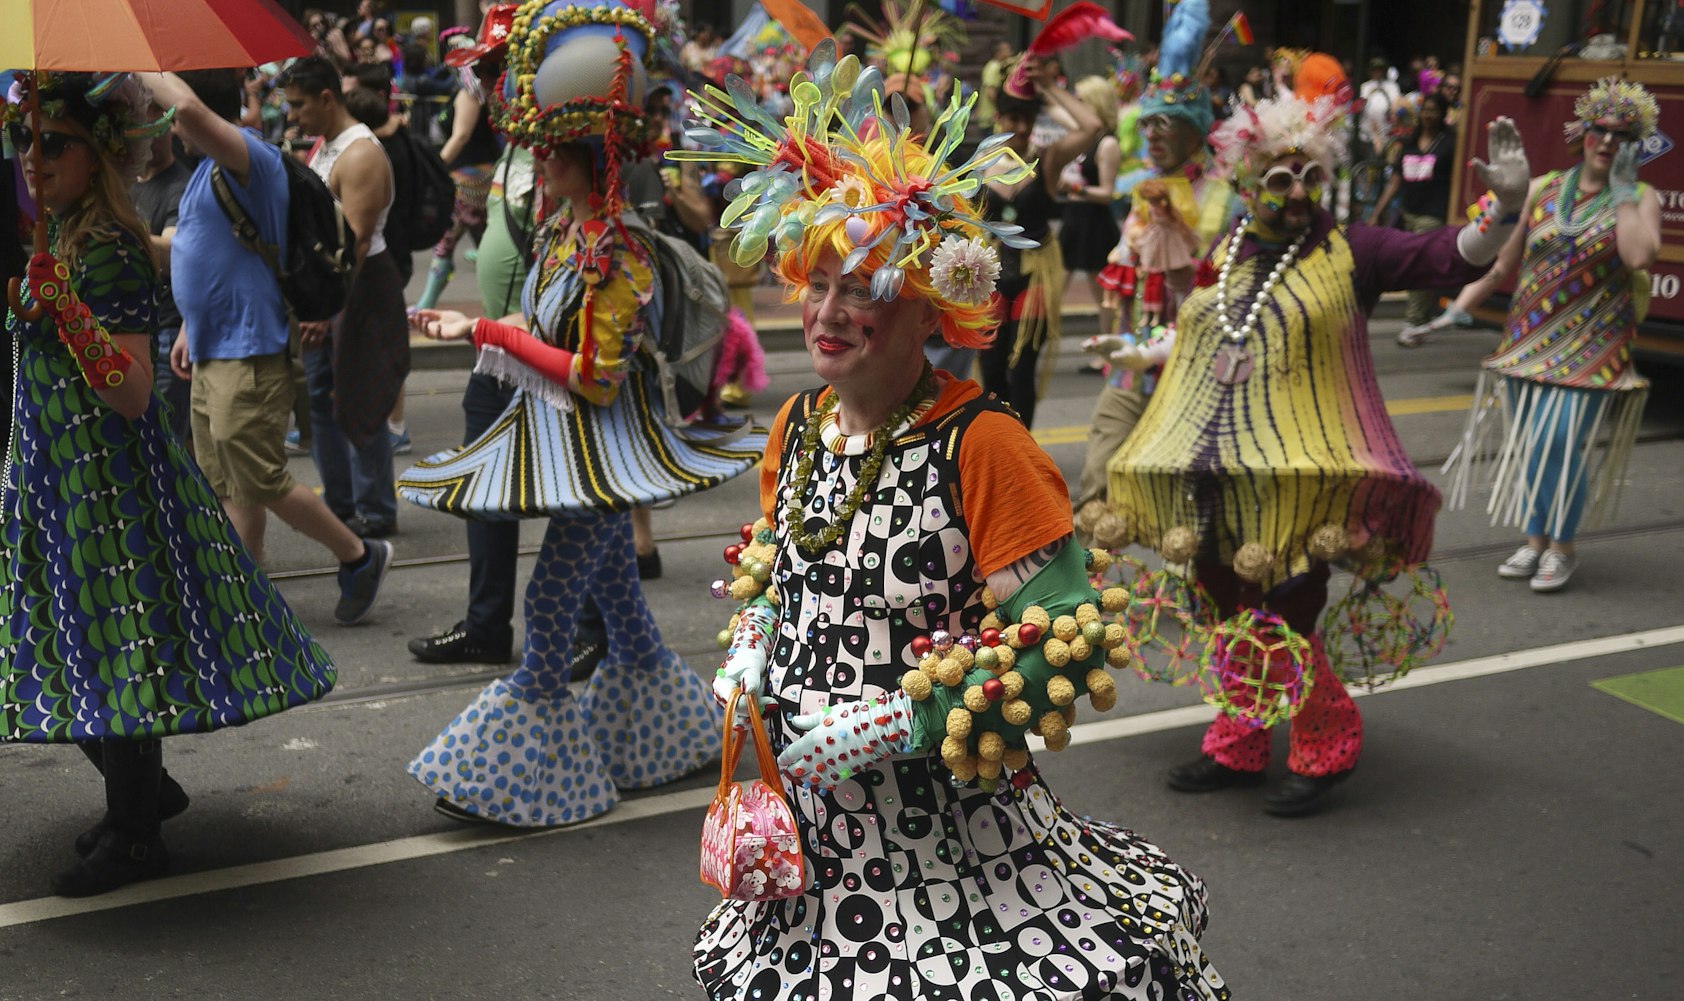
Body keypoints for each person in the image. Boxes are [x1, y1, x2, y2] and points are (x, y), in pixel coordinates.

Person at [685, 38, 1230, 1000]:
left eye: (865, 288)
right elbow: (777, 561)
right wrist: (754, 640)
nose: (830, 311)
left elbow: (1070, 641)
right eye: (817, 282)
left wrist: (903, 715)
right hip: (815, 835)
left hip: (949, 841)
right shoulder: (797, 423)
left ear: (932, 308)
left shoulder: (983, 444)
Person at [1104, 71, 1532, 815]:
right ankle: (1238, 742)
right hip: (1217, 470)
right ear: (1244, 183)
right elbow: (1206, 328)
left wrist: (1505, 209)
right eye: (1278, 178)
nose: (1298, 192)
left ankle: (1326, 744)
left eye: (1310, 176)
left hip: (1302, 482)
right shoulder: (1227, 248)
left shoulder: (1352, 250)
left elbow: (1442, 255)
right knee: (1227, 608)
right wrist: (1145, 349)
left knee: (1289, 614)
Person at [398, 0, 764, 826]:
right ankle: (678, 740)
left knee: (548, 611)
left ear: (577, 158)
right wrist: (470, 326)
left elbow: (596, 377)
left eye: (545, 152)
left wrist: (490, 328)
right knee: (626, 619)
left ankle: (527, 781)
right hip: (569, 449)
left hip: (606, 458)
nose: (534, 162)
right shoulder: (567, 230)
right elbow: (544, 327)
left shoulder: (617, 251)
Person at [1, 71, 336, 897]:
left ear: (99, 154)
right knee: (65, 637)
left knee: (116, 646)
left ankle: (137, 830)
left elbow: (133, 389)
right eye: (25, 141)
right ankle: (142, 793)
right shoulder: (56, 234)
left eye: (56, 143)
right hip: (55, 475)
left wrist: (67, 311)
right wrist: (29, 293)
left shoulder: (108, 247)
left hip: (110, 484)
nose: (34, 159)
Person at [142, 69, 394, 624]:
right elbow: (202, 252)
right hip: (213, 345)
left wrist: (147, 65)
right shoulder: (207, 171)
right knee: (232, 484)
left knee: (259, 477)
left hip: (248, 348)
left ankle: (358, 554)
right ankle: (245, 593)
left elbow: (185, 110)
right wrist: (190, 322)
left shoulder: (247, 158)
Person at [1438, 78, 1662, 593]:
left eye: (1622, 136)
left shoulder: (1642, 198)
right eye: (1599, 132)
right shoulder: (1544, 188)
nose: (1607, 143)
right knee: (1533, 445)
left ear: (1633, 146)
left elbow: (1637, 256)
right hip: (1527, 341)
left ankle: (1563, 548)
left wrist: (1624, 194)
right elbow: (1502, 268)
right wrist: (1454, 311)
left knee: (1559, 439)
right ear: (1582, 135)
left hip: (1593, 346)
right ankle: (1536, 540)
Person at [1076, 0, 1240, 533]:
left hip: (1197, 362)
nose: (1155, 134)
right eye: (1149, 124)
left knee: (1191, 496)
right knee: (1098, 472)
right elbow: (1126, 275)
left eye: (1168, 124)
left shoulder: (1224, 200)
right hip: (1134, 355)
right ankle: (1085, 597)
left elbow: (1226, 289)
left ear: (1197, 131)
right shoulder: (1142, 195)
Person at [280, 56, 409, 540]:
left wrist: (327, 310)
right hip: (327, 289)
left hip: (359, 286)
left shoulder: (360, 154)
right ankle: (341, 505)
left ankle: (375, 509)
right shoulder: (326, 145)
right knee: (318, 401)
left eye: (299, 105)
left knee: (361, 393)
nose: (293, 115)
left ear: (327, 99)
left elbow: (353, 242)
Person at [975, 53, 1102, 428]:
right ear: (999, 117)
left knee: (1022, 366)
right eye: (1013, 118)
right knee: (992, 367)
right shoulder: (980, 163)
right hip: (993, 274)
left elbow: (1091, 125)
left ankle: (1024, 445)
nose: (1020, 128)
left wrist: (1047, 88)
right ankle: (999, 443)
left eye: (1027, 120)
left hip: (1036, 273)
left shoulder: (1048, 160)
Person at [413, 39, 500, 311]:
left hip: (468, 178)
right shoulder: (483, 93)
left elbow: (460, 136)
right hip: (482, 175)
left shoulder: (470, 95)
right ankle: (495, 304)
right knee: (484, 242)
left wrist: (435, 169)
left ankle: (427, 304)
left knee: (447, 240)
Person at [128, 100, 192, 443]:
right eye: (144, 131)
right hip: (131, 326)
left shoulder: (180, 187)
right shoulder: (124, 180)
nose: (154, 139)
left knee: (164, 444)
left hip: (166, 330)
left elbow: (172, 252)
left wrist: (119, 230)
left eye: (160, 129)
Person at [1371, 91, 1455, 332]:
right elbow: (1395, 181)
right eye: (1425, 110)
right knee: (1398, 260)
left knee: (1420, 261)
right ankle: (1422, 313)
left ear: (1442, 114)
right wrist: (1378, 212)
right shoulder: (1408, 143)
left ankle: (1414, 319)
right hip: (1407, 210)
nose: (1428, 115)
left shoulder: (1449, 144)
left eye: (1433, 111)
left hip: (1432, 213)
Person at [1059, 75, 1124, 345]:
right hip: (1073, 220)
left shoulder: (1107, 143)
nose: (1076, 105)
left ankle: (1109, 349)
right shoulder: (1083, 138)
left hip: (1094, 223)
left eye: (1081, 100)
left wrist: (1073, 189)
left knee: (1103, 295)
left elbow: (1107, 193)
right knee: (1053, 288)